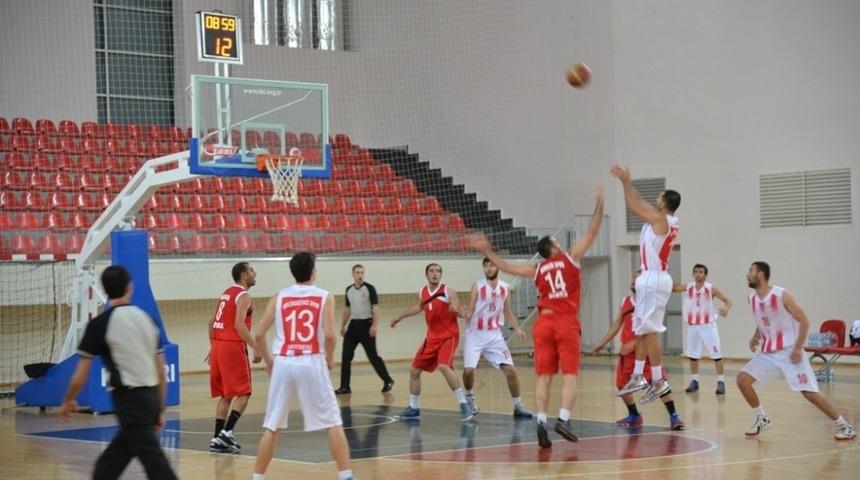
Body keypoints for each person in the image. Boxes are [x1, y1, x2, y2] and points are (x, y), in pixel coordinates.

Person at [472, 184, 604, 449]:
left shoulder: (537, 269)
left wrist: (486, 251)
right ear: (554, 246)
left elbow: (506, 266)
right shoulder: (570, 258)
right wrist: (599, 204)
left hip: (542, 322)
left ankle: (542, 421)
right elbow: (592, 231)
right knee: (570, 376)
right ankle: (563, 419)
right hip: (565, 320)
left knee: (544, 377)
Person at [59, 265, 177, 480]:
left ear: (105, 290)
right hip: (149, 397)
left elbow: (80, 373)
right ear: (129, 287)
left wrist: (69, 400)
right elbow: (161, 370)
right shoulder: (147, 319)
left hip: (129, 400)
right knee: (112, 461)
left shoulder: (98, 325)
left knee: (155, 464)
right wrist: (159, 408)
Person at [251, 252, 354, 480]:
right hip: (311, 359)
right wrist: (330, 357)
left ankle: (257, 477)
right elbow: (329, 335)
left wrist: (269, 362)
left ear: (293, 272)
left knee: (272, 426)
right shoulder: (324, 296)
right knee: (334, 422)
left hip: (283, 362)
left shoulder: (279, 297)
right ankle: (346, 475)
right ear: (313, 271)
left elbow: (258, 334)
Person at [737, 261, 856, 440]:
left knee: (809, 393)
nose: (747, 274)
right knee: (743, 380)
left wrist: (798, 348)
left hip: (789, 351)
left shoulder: (780, 295)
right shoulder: (751, 299)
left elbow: (804, 320)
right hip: (768, 353)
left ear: (760, 275)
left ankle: (845, 426)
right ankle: (761, 418)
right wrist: (756, 336)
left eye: (751, 270)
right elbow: (763, 320)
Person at [611, 164, 681, 405]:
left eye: (659, 197)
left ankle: (659, 379)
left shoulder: (661, 219)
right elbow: (639, 200)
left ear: (664, 203)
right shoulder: (662, 217)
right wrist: (628, 182)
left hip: (654, 278)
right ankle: (639, 375)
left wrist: (624, 182)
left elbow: (633, 205)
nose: (655, 199)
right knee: (641, 330)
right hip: (651, 278)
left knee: (649, 332)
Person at [593, 270, 685, 430]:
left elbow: (651, 332)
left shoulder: (650, 304)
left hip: (646, 353)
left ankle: (674, 415)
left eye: (638, 278)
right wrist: (603, 343)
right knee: (621, 386)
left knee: (659, 383)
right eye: (633, 278)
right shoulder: (625, 301)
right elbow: (617, 324)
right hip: (627, 356)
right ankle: (634, 415)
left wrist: (634, 343)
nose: (634, 280)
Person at [390, 263, 472, 421]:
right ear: (426, 274)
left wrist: (457, 309)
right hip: (432, 338)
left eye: (438, 271)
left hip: (449, 336)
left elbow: (456, 305)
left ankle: (464, 404)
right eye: (432, 271)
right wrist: (399, 317)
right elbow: (419, 307)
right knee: (414, 371)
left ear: (441, 275)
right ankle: (414, 408)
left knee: (443, 366)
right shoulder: (423, 291)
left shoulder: (448, 290)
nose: (435, 274)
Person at [461, 257, 533, 419]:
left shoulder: (505, 288)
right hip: (475, 334)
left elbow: (506, 310)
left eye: (491, 265)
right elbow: (470, 308)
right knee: (468, 370)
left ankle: (518, 406)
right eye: (486, 266)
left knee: (511, 372)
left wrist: (517, 328)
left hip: (494, 336)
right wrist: (462, 313)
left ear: (497, 267)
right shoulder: (477, 286)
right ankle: (470, 398)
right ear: (483, 269)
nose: (489, 268)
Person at [207, 262, 260, 453]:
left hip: (219, 345)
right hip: (232, 346)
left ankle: (216, 439)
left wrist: (213, 346)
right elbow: (239, 325)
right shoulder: (243, 295)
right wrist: (256, 347)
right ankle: (226, 433)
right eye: (252, 271)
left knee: (226, 395)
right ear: (244, 274)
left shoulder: (226, 293)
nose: (255, 273)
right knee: (244, 392)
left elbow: (212, 322)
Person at [671, 263, 732, 395]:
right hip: (693, 326)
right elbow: (673, 289)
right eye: (696, 271)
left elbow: (728, 301)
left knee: (717, 355)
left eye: (701, 272)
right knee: (693, 355)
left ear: (705, 275)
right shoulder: (688, 287)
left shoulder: (711, 289)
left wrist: (726, 309)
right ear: (693, 274)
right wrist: (665, 280)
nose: (698, 274)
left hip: (708, 326)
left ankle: (721, 382)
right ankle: (695, 381)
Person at [335, 264, 394, 395]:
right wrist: (342, 326)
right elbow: (347, 309)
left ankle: (388, 380)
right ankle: (345, 386)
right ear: (353, 274)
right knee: (346, 356)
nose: (360, 275)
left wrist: (374, 325)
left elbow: (376, 308)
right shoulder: (348, 290)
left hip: (367, 325)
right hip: (352, 327)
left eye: (362, 272)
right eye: (357, 272)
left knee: (373, 356)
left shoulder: (370, 288)